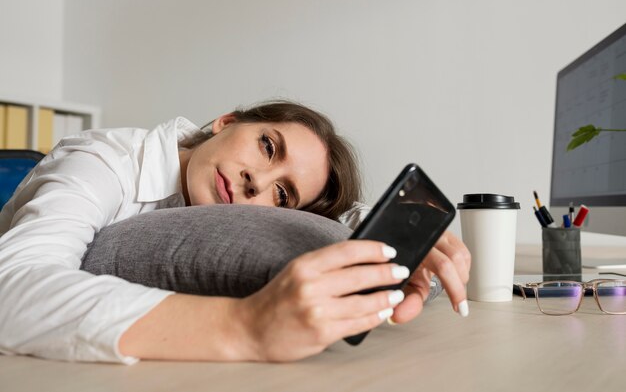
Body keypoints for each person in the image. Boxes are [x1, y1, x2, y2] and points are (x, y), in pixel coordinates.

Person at [0, 101, 470, 364]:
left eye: (283, 196)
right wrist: (247, 327)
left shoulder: (224, 206)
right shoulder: (105, 162)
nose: (258, 182)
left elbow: (337, 222)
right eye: (268, 146)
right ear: (225, 122)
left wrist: (411, 239)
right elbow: (11, 289)